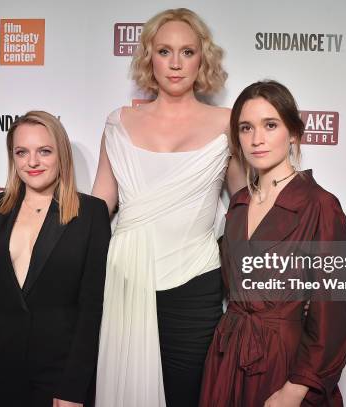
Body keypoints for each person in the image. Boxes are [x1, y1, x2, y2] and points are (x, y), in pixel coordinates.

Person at [91, 8, 245, 407]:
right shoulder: (117, 123)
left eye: (187, 52)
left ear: (202, 59)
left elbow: (246, 207)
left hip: (195, 285)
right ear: (149, 58)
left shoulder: (229, 124)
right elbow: (97, 209)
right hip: (125, 279)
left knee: (188, 397)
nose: (175, 63)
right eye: (164, 51)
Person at [199, 80, 346, 407]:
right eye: (246, 128)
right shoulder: (238, 205)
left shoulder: (321, 206)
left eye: (270, 125)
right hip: (227, 361)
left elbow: (332, 316)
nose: (257, 139)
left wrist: (296, 389)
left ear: (293, 132)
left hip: (285, 366)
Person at [0, 111, 111, 407]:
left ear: (61, 155)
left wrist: (73, 386)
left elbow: (92, 306)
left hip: (59, 369)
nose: (33, 162)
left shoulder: (90, 213)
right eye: (21, 152)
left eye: (44, 151)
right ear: (12, 157)